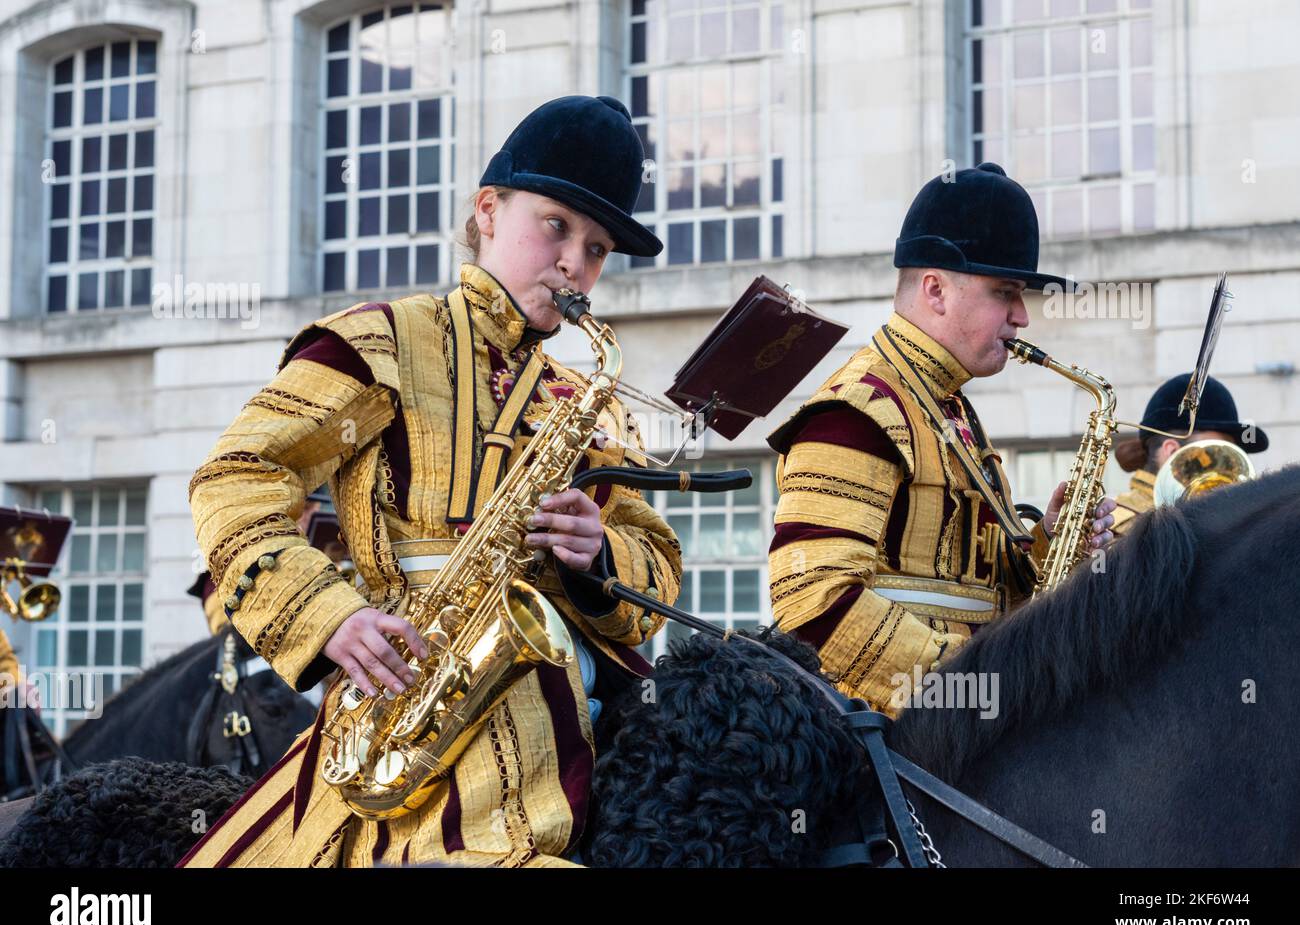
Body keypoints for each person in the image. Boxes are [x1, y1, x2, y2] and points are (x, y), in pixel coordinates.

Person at [181, 95, 680, 868]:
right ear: (487, 210)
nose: (576, 263)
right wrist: (327, 616)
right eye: (556, 226)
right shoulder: (378, 340)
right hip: (409, 732)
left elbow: (660, 567)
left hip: (581, 736)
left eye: (598, 246)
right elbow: (237, 476)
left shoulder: (589, 403)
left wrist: (603, 555)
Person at [768, 162, 1116, 717]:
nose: (1022, 316)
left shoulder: (946, 405)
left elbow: (966, 584)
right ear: (935, 290)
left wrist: (1048, 544)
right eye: (1006, 292)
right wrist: (983, 686)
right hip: (891, 751)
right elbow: (814, 603)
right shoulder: (857, 410)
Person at [1111, 374, 1268, 535]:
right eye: (1214, 455)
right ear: (1172, 452)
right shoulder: (1115, 531)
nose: (1226, 471)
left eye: (1229, 456)